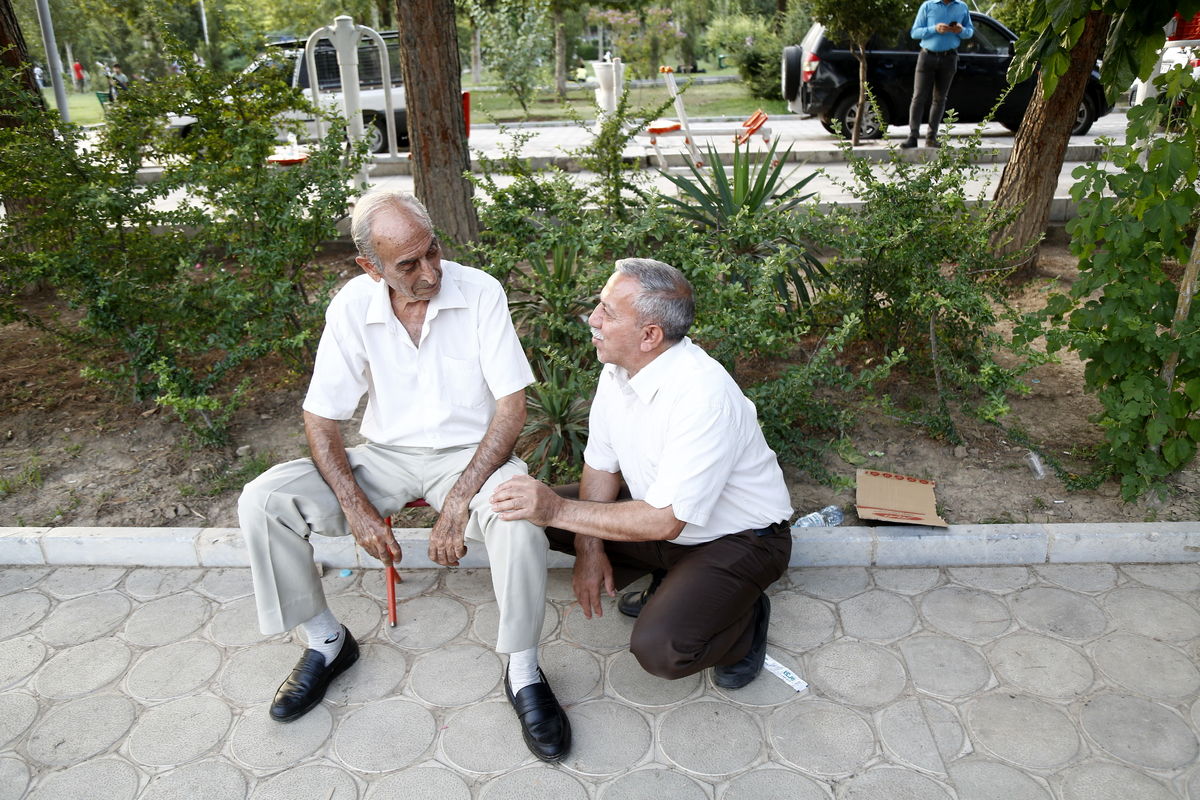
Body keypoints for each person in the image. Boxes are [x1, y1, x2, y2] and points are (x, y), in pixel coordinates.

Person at [238, 189, 570, 762]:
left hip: (471, 456)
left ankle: (523, 669)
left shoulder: (480, 291)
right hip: (385, 455)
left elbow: (511, 408)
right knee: (264, 498)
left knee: (518, 518)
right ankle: (327, 642)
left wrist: (460, 499)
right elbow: (321, 416)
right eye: (408, 265)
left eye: (433, 251)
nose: (431, 271)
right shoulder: (351, 306)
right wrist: (357, 507)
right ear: (372, 268)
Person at [491, 259, 793, 689]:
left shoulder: (703, 395)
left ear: (650, 336)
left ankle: (745, 621)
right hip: (662, 527)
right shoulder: (617, 368)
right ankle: (676, 581)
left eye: (607, 313)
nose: (593, 320)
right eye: (599, 306)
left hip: (738, 540)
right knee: (521, 513)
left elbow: (665, 519)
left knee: (662, 650)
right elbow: (600, 466)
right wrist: (589, 550)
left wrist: (556, 508)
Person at [902, 0, 973, 149]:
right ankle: (913, 136)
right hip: (927, 57)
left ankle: (931, 138)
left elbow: (970, 31)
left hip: (949, 58)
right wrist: (935, 29)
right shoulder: (928, 6)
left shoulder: (962, 7)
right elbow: (915, 32)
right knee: (918, 97)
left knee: (940, 99)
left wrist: (960, 30)